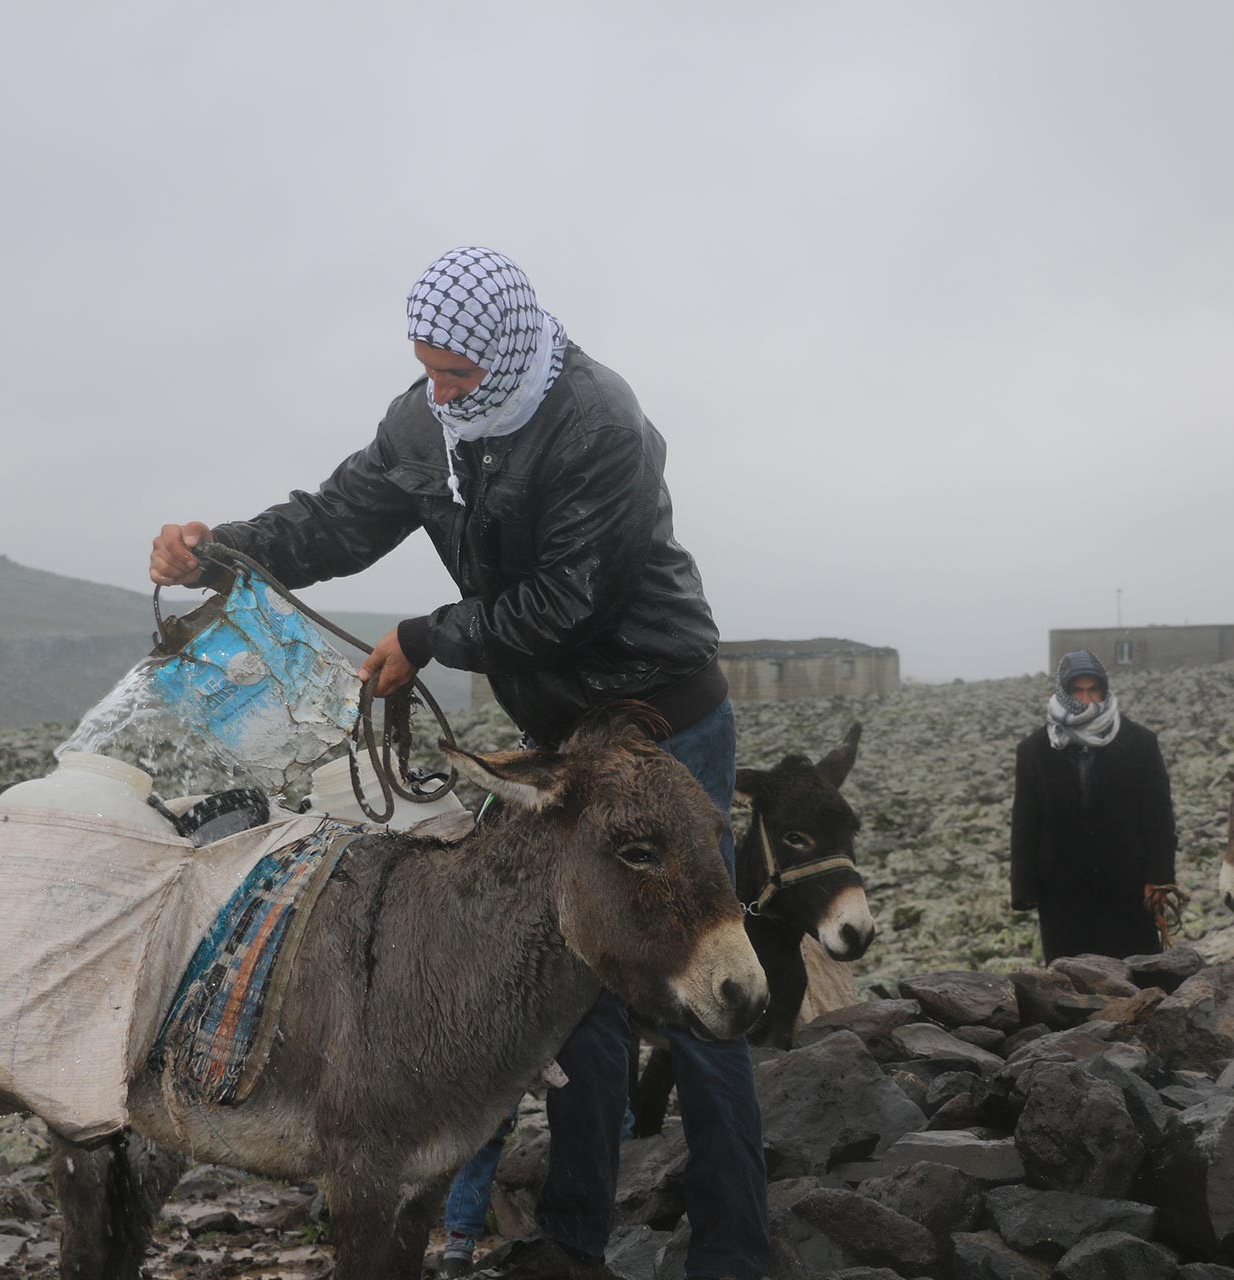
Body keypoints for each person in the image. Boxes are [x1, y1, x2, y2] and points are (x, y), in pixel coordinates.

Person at [148, 246, 770, 1280]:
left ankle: (736, 1252)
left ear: (508, 350)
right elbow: (337, 520)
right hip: (558, 742)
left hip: (661, 720)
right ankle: (574, 1244)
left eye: (457, 376)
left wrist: (428, 638)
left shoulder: (601, 423)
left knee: (694, 979)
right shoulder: (427, 423)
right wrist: (220, 551)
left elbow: (566, 598)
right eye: (427, 371)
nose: (439, 392)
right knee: (561, 985)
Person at [1010, 650, 1178, 963]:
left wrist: (1160, 876)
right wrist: (1024, 889)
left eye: (1093, 690)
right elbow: (1025, 822)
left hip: (1126, 886)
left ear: (1104, 690)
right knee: (1070, 988)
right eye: (1078, 691)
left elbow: (1158, 817)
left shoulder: (1139, 742)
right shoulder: (1034, 750)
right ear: (1064, 692)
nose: (1087, 699)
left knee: (1137, 979)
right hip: (1062, 891)